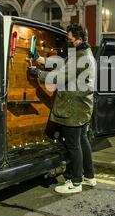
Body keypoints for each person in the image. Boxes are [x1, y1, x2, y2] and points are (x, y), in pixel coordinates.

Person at [28, 23, 96, 194]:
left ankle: (76, 182)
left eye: (70, 39)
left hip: (73, 108)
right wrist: (40, 59)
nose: (68, 41)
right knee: (82, 141)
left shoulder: (81, 57)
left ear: (79, 39)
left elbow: (61, 76)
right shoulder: (81, 53)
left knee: (74, 145)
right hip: (82, 107)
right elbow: (61, 63)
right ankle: (89, 176)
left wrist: (38, 74)